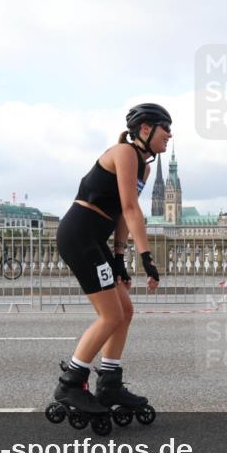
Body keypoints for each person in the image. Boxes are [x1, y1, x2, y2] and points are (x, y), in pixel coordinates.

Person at [52, 103, 171, 421]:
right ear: (145, 129)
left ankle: (109, 382)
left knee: (125, 312)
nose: (170, 135)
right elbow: (132, 209)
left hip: (96, 239)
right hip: (79, 235)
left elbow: (120, 213)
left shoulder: (142, 167)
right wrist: (146, 257)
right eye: (165, 129)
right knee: (110, 315)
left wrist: (120, 258)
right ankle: (71, 383)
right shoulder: (123, 153)